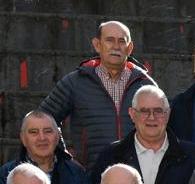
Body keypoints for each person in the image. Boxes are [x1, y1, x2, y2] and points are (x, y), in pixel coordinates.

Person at [39, 20, 155, 167]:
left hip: (137, 177)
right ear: (97, 45)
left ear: (129, 48)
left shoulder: (145, 84)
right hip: (90, 177)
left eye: (121, 41)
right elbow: (43, 119)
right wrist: (64, 157)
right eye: (109, 40)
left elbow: (163, 125)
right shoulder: (75, 82)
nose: (116, 47)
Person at [87, 84, 195, 184]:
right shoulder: (111, 156)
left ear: (168, 114)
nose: (151, 117)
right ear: (132, 114)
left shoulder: (192, 156)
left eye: (158, 111)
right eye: (144, 111)